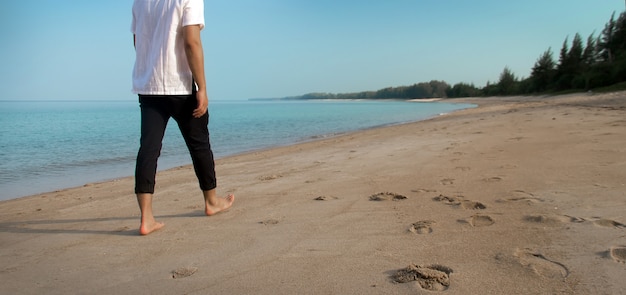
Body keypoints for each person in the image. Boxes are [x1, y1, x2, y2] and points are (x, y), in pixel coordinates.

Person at [131, 0, 234, 235]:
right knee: (199, 144)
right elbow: (191, 41)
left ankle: (146, 218)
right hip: (180, 85)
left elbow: (138, 40)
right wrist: (203, 87)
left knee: (148, 149)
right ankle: (211, 201)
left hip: (149, 85)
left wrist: (151, 68)